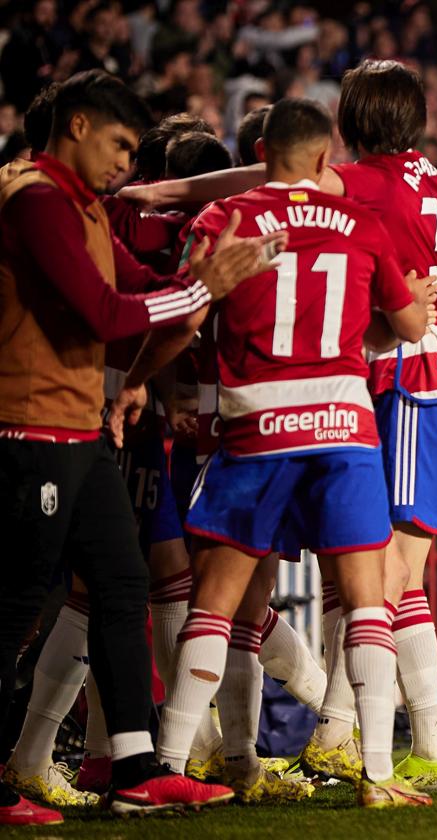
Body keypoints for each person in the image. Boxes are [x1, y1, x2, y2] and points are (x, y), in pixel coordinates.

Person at [107, 96, 435, 809]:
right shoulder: (363, 222)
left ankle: (170, 765)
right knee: (367, 599)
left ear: (262, 152)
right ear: (325, 157)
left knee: (218, 603)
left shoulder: (225, 217)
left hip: (256, 426)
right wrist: (421, 305)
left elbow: (185, 318)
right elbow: (406, 324)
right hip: (344, 429)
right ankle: (378, 775)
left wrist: (134, 383)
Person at [0, 69, 280, 825]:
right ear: (79, 125)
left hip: (81, 427)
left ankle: (134, 767)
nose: (126, 164)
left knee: (122, 588)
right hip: (27, 425)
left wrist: (205, 275)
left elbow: (146, 282)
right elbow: (102, 309)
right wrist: (199, 289)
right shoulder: (31, 195)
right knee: (20, 602)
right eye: (119, 144)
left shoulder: (82, 204)